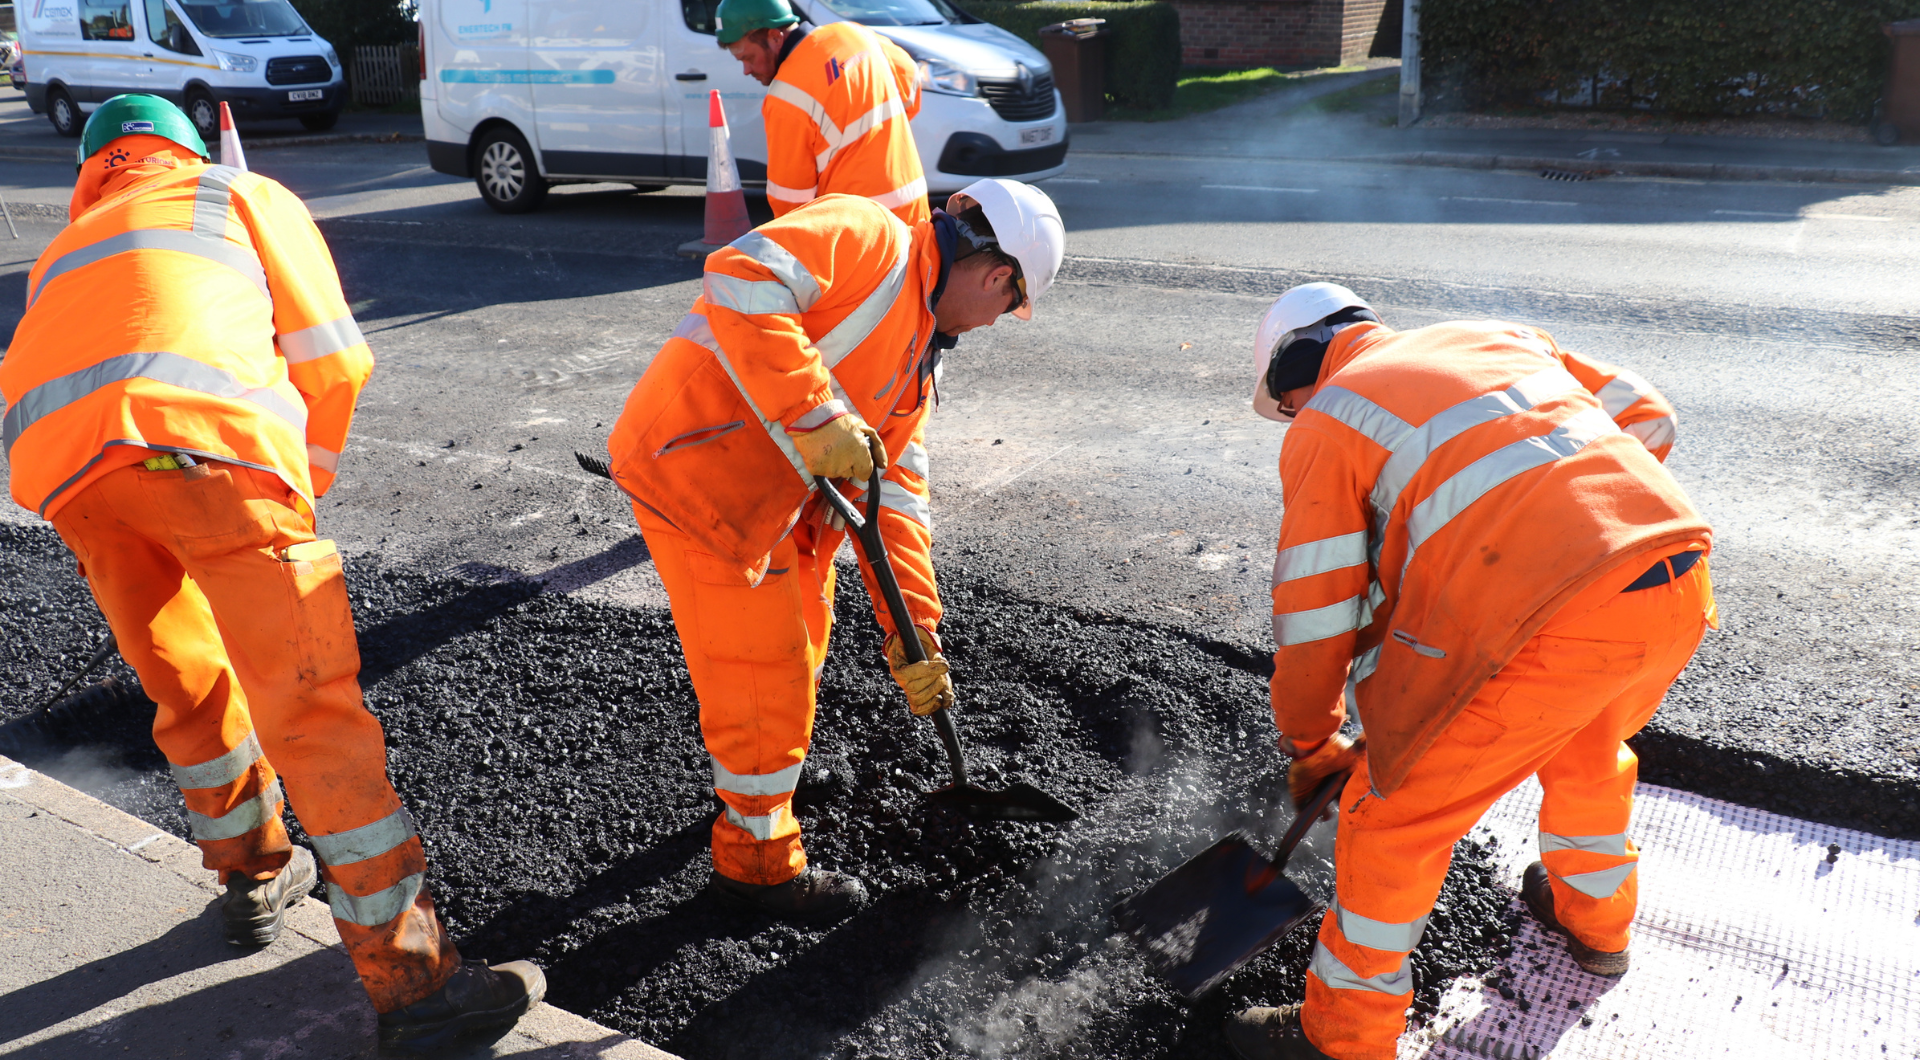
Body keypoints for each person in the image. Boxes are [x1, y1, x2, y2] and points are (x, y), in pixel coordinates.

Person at [0, 94, 544, 1054]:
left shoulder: (65, 245)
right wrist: (302, 489)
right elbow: (331, 360)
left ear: (97, 165)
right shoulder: (232, 192)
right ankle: (415, 987)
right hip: (211, 455)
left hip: (69, 479)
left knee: (186, 682)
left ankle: (252, 877)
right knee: (309, 706)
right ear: (182, 149)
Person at [1223, 284, 1714, 1060]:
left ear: (1295, 368)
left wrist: (1313, 740)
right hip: (1672, 574)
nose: (1291, 416)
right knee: (1583, 746)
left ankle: (1341, 1036)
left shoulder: (1330, 418)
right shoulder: (1494, 335)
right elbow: (1650, 414)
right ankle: (1596, 921)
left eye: (1285, 404)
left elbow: (1316, 613)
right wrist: (1569, 525)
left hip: (1550, 617)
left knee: (1391, 820)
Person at [606, 179, 1063, 917]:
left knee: (806, 639)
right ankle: (755, 866)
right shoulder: (868, 237)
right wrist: (814, 410)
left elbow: (897, 503)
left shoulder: (921, 360)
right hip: (699, 471)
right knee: (766, 674)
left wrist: (914, 632)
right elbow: (739, 275)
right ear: (997, 277)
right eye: (1009, 309)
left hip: (775, 501)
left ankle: (773, 769)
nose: (994, 322)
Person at [715, 0, 928, 223]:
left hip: (859, 232)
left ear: (775, 37)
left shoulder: (785, 96)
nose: (746, 70)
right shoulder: (852, 34)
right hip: (913, 215)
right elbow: (910, 78)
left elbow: (791, 201)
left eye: (748, 58)